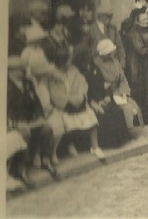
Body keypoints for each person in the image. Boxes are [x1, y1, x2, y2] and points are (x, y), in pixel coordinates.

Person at [39, 39, 102, 164]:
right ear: (62, 62)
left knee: (91, 118)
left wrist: (78, 97)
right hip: (61, 106)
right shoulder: (51, 76)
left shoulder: (74, 71)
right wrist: (66, 100)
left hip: (77, 103)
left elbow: (82, 84)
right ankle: (61, 148)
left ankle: (95, 146)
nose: (71, 62)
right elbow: (55, 94)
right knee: (62, 122)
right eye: (68, 60)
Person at [87, 38, 142, 149]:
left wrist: (124, 92)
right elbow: (97, 83)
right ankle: (123, 135)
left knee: (133, 107)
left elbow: (122, 78)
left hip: (119, 90)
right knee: (123, 109)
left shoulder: (115, 61)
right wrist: (106, 90)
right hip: (107, 93)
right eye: (110, 52)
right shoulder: (96, 64)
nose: (113, 54)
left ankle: (129, 133)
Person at [6, 56, 51, 185]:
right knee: (25, 133)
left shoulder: (27, 83)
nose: (24, 71)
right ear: (12, 71)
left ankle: (45, 160)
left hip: (29, 120)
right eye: (21, 69)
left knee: (47, 128)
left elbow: (36, 102)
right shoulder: (6, 86)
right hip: (15, 122)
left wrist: (40, 116)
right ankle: (21, 169)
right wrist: (15, 123)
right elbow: (5, 109)